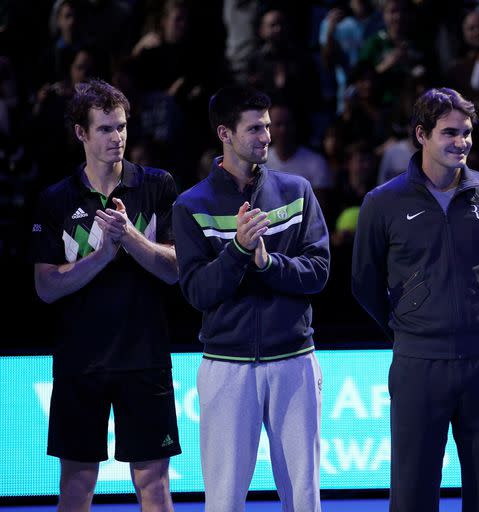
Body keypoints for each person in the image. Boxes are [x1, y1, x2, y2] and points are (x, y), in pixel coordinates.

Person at [352, 87, 479, 512]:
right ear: (421, 134)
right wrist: (409, 324)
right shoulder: (382, 202)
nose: (460, 142)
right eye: (449, 133)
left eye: (466, 133)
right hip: (417, 364)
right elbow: (363, 282)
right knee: (413, 490)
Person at [172, 85, 329, 512]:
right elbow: (197, 291)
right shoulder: (191, 205)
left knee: (304, 498)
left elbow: (318, 272)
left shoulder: (298, 191)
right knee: (223, 501)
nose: (267, 136)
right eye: (255, 128)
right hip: (226, 366)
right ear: (225, 133)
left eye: (268, 126)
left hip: (294, 359)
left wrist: (268, 263)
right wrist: (239, 252)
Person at [29, 78, 181, 511]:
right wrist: (101, 255)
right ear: (81, 133)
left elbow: (175, 272)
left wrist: (129, 236)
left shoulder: (156, 186)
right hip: (81, 361)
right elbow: (45, 287)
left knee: (153, 484)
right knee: (77, 485)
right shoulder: (56, 200)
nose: (118, 138)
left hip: (144, 356)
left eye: (122, 127)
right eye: (105, 129)